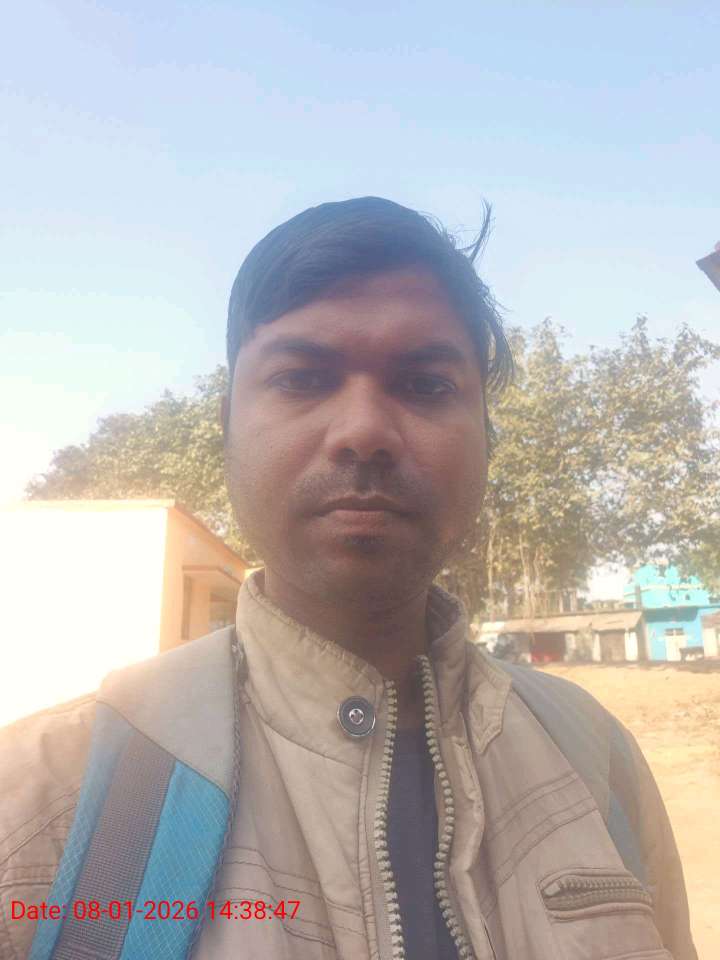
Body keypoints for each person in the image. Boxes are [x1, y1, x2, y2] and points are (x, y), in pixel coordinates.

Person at [0, 197, 697, 960]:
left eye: (426, 385)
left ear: (486, 439)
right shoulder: (45, 800)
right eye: (302, 378)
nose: (363, 430)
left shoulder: (592, 755)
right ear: (228, 423)